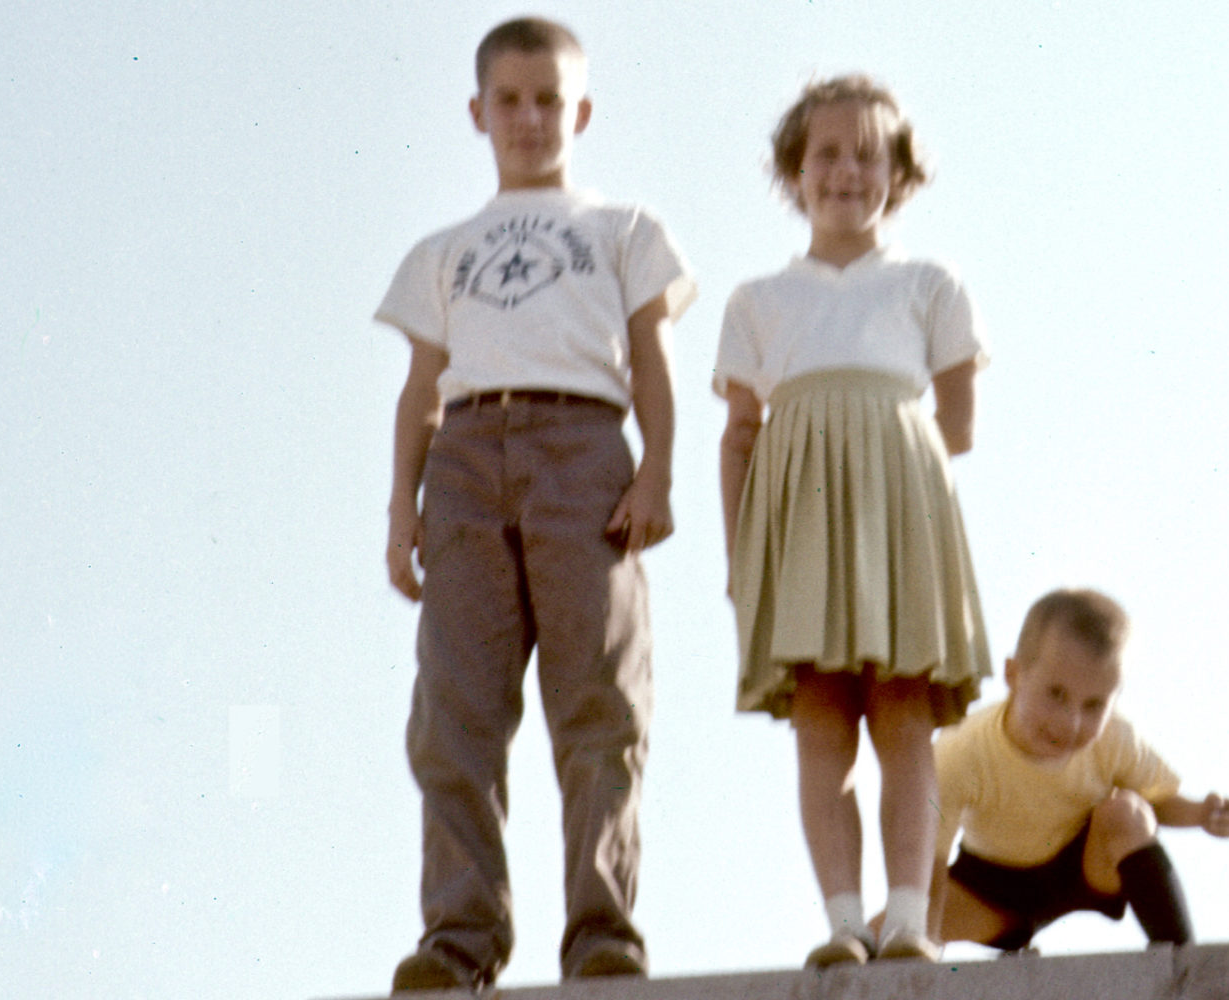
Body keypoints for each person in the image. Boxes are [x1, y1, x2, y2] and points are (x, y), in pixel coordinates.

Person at [373, 16, 696, 993]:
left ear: (581, 111)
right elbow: (421, 387)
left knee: (597, 700)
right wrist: (402, 507)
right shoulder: (445, 249)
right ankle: (459, 940)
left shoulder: (622, 230)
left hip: (582, 448)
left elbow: (650, 358)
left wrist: (658, 471)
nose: (529, 118)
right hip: (467, 458)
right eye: (509, 101)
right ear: (477, 112)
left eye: (549, 99)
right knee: (455, 712)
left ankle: (602, 930)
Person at [716, 75, 991, 966]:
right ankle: (843, 921)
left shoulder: (928, 284)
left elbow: (956, 428)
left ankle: (908, 917)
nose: (846, 171)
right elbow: (740, 441)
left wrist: (878, 475)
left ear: (899, 173)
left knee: (904, 714)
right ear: (794, 172)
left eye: (868, 153)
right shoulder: (758, 301)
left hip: (899, 515)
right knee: (823, 719)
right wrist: (741, 564)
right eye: (827, 153)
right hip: (798, 531)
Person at [927, 588, 1229, 952]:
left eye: (1094, 705)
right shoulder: (961, 750)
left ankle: (1184, 960)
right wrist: (921, 949)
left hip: (1083, 868)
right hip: (990, 890)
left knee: (1126, 811)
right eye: (1056, 695)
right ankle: (996, 934)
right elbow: (929, 859)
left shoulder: (1115, 737)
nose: (1071, 722)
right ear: (1013, 675)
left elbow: (1157, 799)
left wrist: (1199, 813)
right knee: (888, 935)